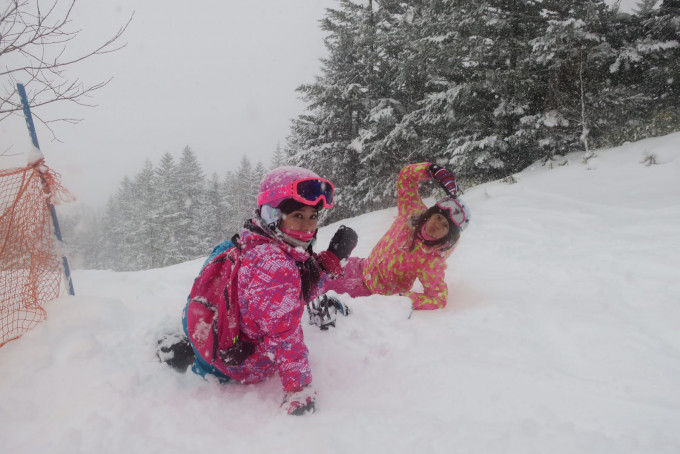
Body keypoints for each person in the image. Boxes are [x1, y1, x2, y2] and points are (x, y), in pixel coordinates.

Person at [169, 166, 357, 415]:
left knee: (224, 247)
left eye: (313, 216)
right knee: (272, 334)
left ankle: (190, 347)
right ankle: (200, 364)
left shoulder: (251, 241)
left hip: (205, 321)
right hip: (238, 362)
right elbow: (285, 337)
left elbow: (285, 292)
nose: (308, 227)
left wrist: (327, 262)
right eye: (298, 216)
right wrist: (298, 390)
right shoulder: (275, 267)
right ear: (271, 215)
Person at [322, 162, 470, 310]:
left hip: (372, 292)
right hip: (362, 266)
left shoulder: (431, 261)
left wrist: (404, 299)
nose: (437, 225)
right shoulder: (412, 212)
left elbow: (437, 299)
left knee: (322, 287)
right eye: (438, 217)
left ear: (448, 236)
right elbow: (406, 177)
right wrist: (431, 170)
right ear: (432, 213)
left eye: (445, 226)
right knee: (318, 271)